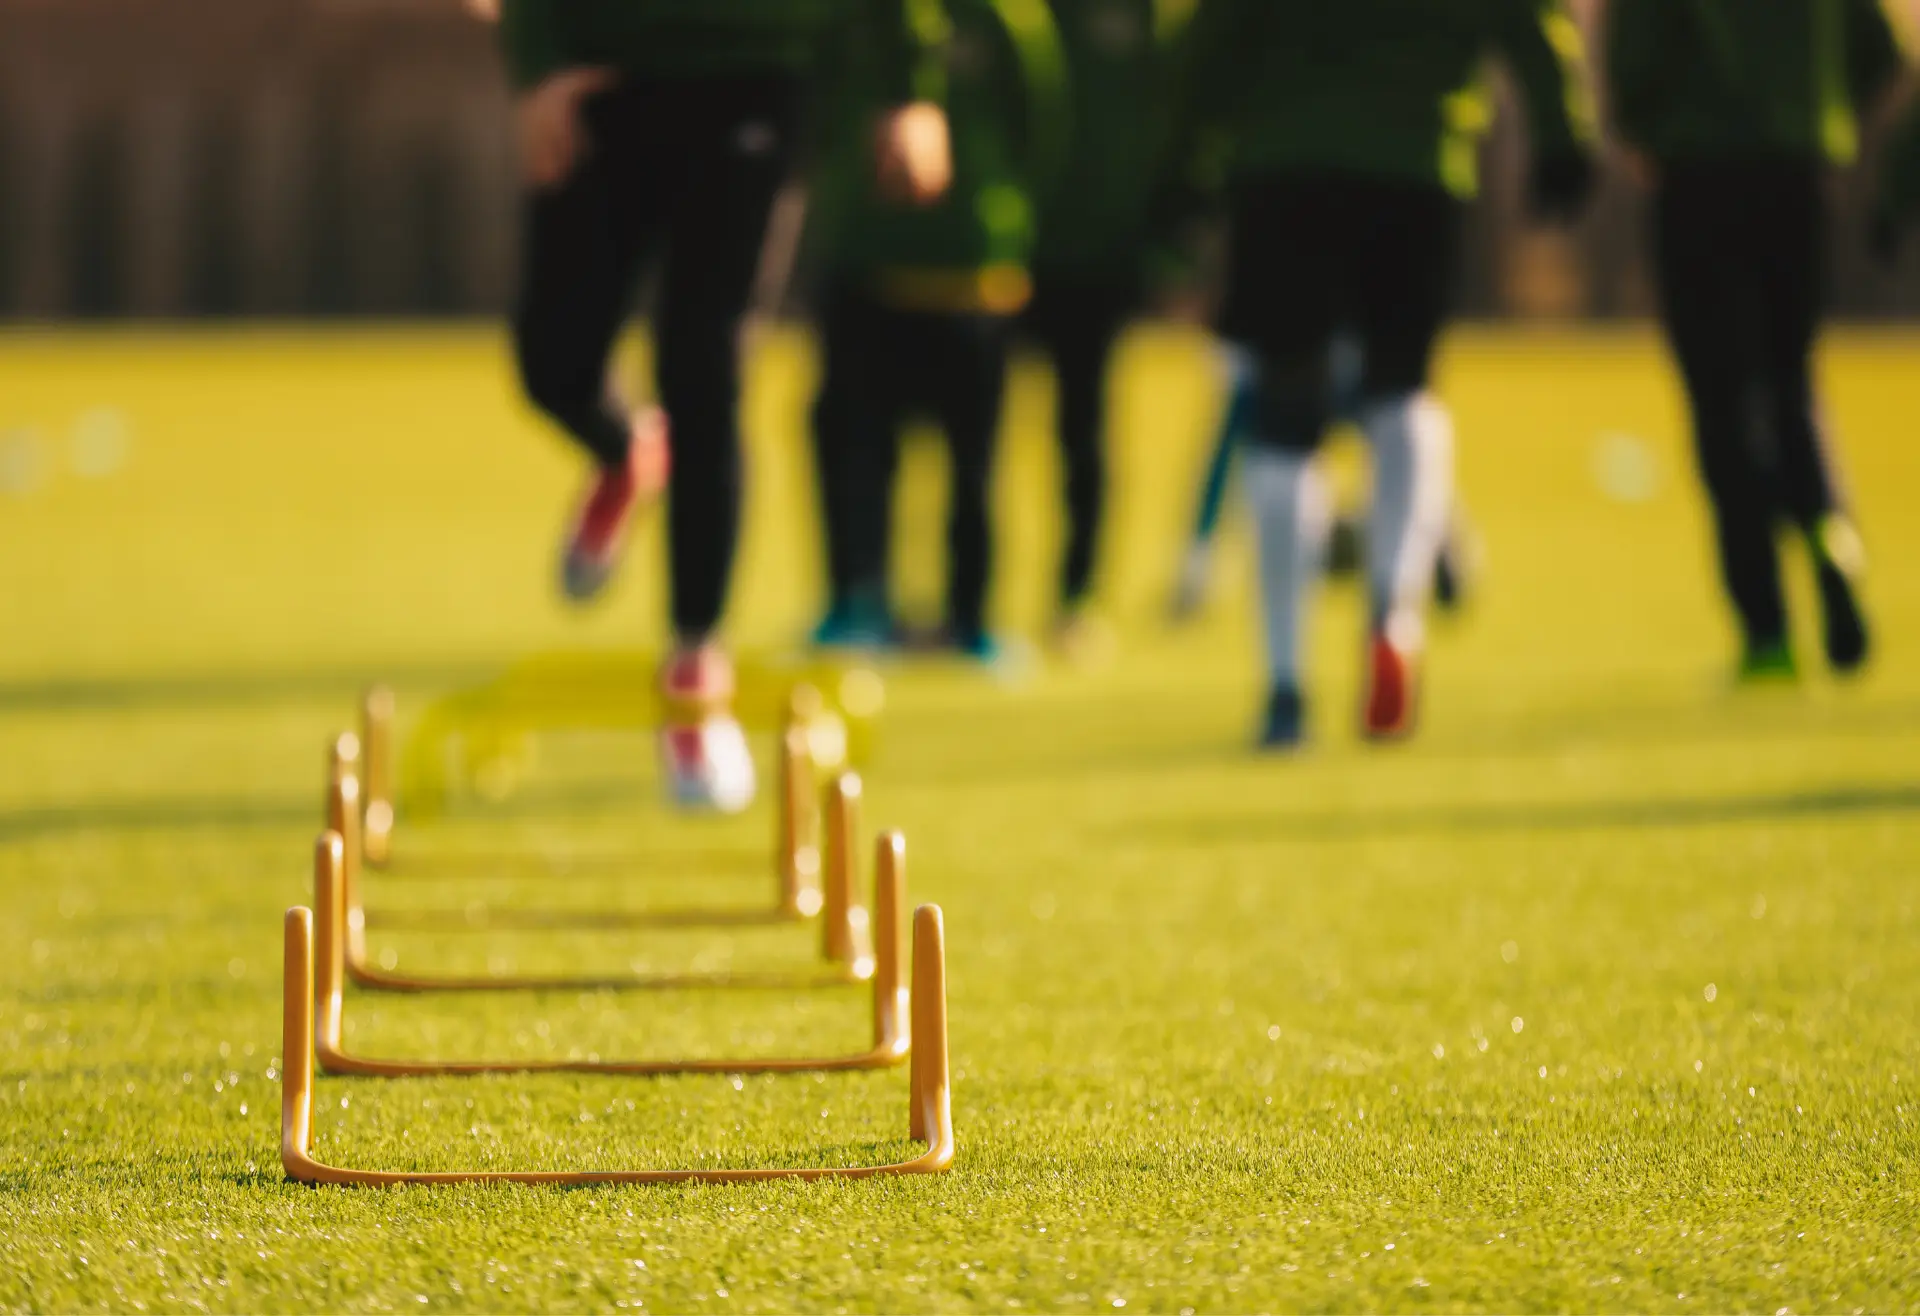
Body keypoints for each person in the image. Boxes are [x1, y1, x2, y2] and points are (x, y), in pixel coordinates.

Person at [494, 1, 953, 809]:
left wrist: (909, 88)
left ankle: (695, 674)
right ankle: (623, 452)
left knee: (702, 367)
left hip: (756, 74)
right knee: (552, 363)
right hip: (605, 71)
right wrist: (537, 66)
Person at [1157, 0, 1596, 748]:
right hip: (1414, 167)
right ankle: (1395, 611)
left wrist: (1180, 163)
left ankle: (1285, 685)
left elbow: (1207, 40)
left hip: (1284, 169)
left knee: (1283, 425)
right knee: (1404, 394)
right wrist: (1560, 131)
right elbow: (1529, 19)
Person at [1608, 0, 1913, 682]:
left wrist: (1641, 125)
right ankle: (1828, 531)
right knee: (1790, 379)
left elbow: (1634, 63)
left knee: (1721, 403)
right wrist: (1818, 106)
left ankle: (1766, 627)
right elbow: (1882, 53)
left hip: (1696, 177)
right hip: (1798, 172)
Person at [808, 0, 1067, 661]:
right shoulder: (853, 20)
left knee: (973, 466)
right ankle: (857, 603)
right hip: (868, 269)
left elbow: (1039, 129)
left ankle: (970, 618)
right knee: (855, 454)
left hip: (970, 280)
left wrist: (1000, 221)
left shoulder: (1004, 19)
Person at [1020, 0, 1188, 657]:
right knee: (965, 434)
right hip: (1005, 244)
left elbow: (1176, 117)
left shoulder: (1146, 18)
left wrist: (1168, 237)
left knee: (1083, 433)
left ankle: (1075, 596)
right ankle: (958, 605)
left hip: (1100, 255)